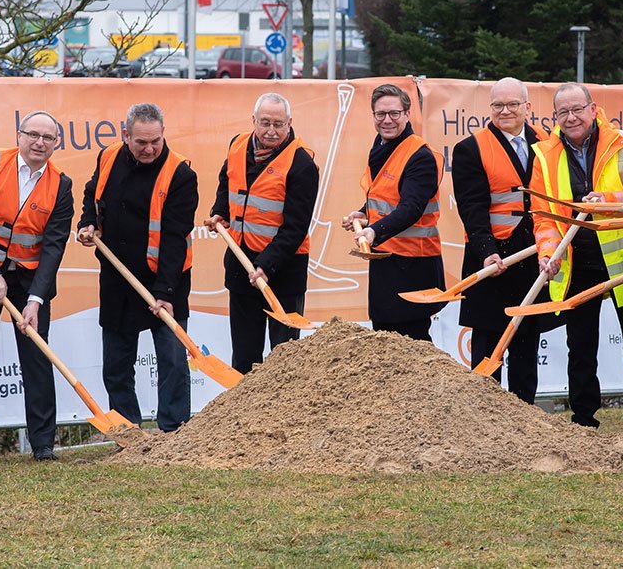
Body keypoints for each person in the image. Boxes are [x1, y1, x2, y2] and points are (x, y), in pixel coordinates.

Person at [530, 83, 623, 432]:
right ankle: (584, 422)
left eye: (577, 110)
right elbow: (544, 215)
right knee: (580, 348)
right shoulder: (544, 155)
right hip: (577, 264)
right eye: (563, 112)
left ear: (592, 108)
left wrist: (609, 198)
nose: (571, 118)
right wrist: (548, 253)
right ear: (555, 117)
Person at [0, 111, 74, 461]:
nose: (39, 142)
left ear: (56, 143)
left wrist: (35, 300)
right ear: (18, 134)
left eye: (47, 138)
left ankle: (43, 445)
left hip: (28, 282)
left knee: (36, 358)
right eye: (32, 134)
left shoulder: (61, 185)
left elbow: (53, 246)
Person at [76, 103, 198, 432]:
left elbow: (174, 238)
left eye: (155, 141)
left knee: (172, 359)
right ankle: (128, 432)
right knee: (116, 362)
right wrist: (88, 222)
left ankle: (174, 430)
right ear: (125, 135)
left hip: (165, 277)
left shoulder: (181, 175)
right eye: (141, 142)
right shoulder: (108, 156)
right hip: (117, 275)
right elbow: (92, 193)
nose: (149, 149)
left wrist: (165, 292)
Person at [206, 93, 319, 373]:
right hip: (240, 263)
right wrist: (221, 210)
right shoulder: (237, 145)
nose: (271, 130)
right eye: (265, 122)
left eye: (278, 124)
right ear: (253, 120)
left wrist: (266, 265)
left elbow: (295, 227)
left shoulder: (302, 164)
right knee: (245, 356)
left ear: (290, 123)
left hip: (283, 271)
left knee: (284, 359)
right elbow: (226, 181)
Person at [450, 77, 549, 398]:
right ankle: (484, 417)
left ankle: (525, 417)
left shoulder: (546, 143)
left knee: (525, 341)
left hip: (533, 258)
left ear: (527, 107)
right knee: (487, 347)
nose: (505, 111)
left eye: (512, 104)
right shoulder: (470, 148)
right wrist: (487, 251)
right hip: (493, 260)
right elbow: (472, 207)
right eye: (497, 105)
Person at [342, 83, 444, 341]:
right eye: (380, 114)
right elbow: (384, 197)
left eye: (394, 113)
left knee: (413, 342)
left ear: (407, 114)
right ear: (373, 116)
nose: (387, 120)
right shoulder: (380, 146)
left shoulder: (419, 155)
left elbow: (411, 208)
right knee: (384, 340)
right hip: (388, 261)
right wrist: (363, 214)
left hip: (413, 265)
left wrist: (374, 231)